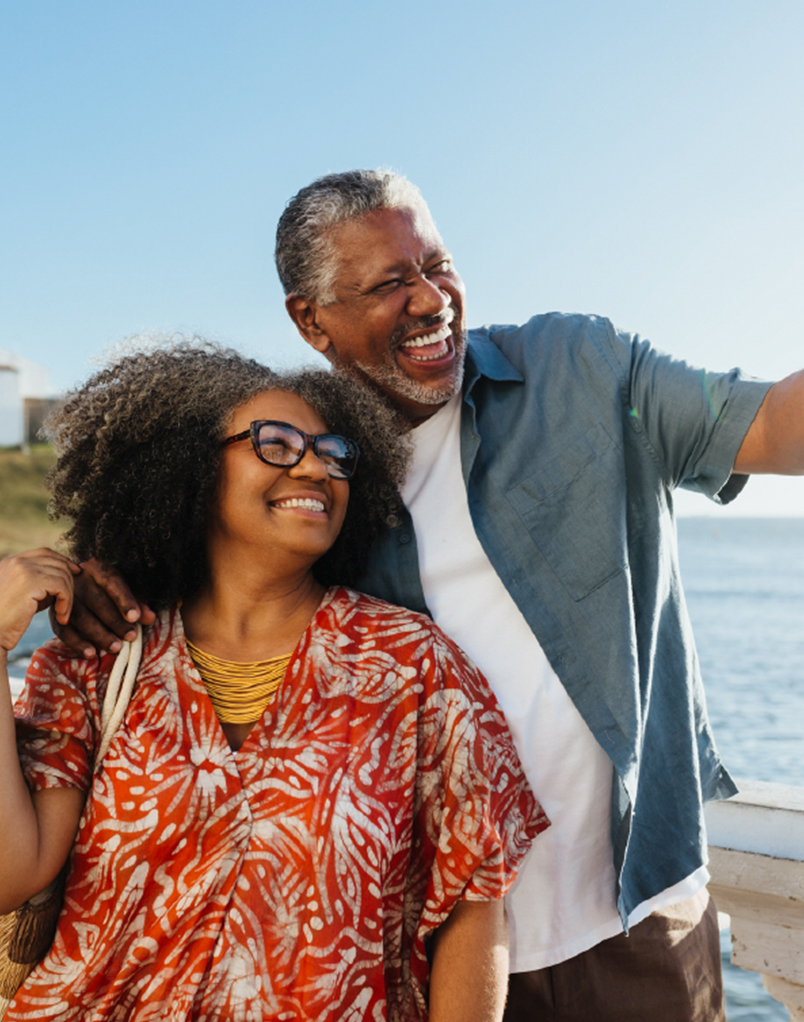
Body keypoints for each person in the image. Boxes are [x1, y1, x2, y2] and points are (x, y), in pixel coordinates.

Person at [55, 171, 804, 1021]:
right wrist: (93, 585)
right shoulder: (312, 478)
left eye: (438, 265)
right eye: (387, 283)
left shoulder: (579, 369)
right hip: (424, 952)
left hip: (636, 918)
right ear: (312, 320)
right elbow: (203, 596)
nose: (429, 299)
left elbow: (776, 424)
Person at [0, 341, 546, 1021]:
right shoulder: (99, 661)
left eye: (335, 452)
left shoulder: (414, 669)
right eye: (278, 442)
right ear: (194, 467)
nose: (317, 465)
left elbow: (475, 909)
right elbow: (10, 875)